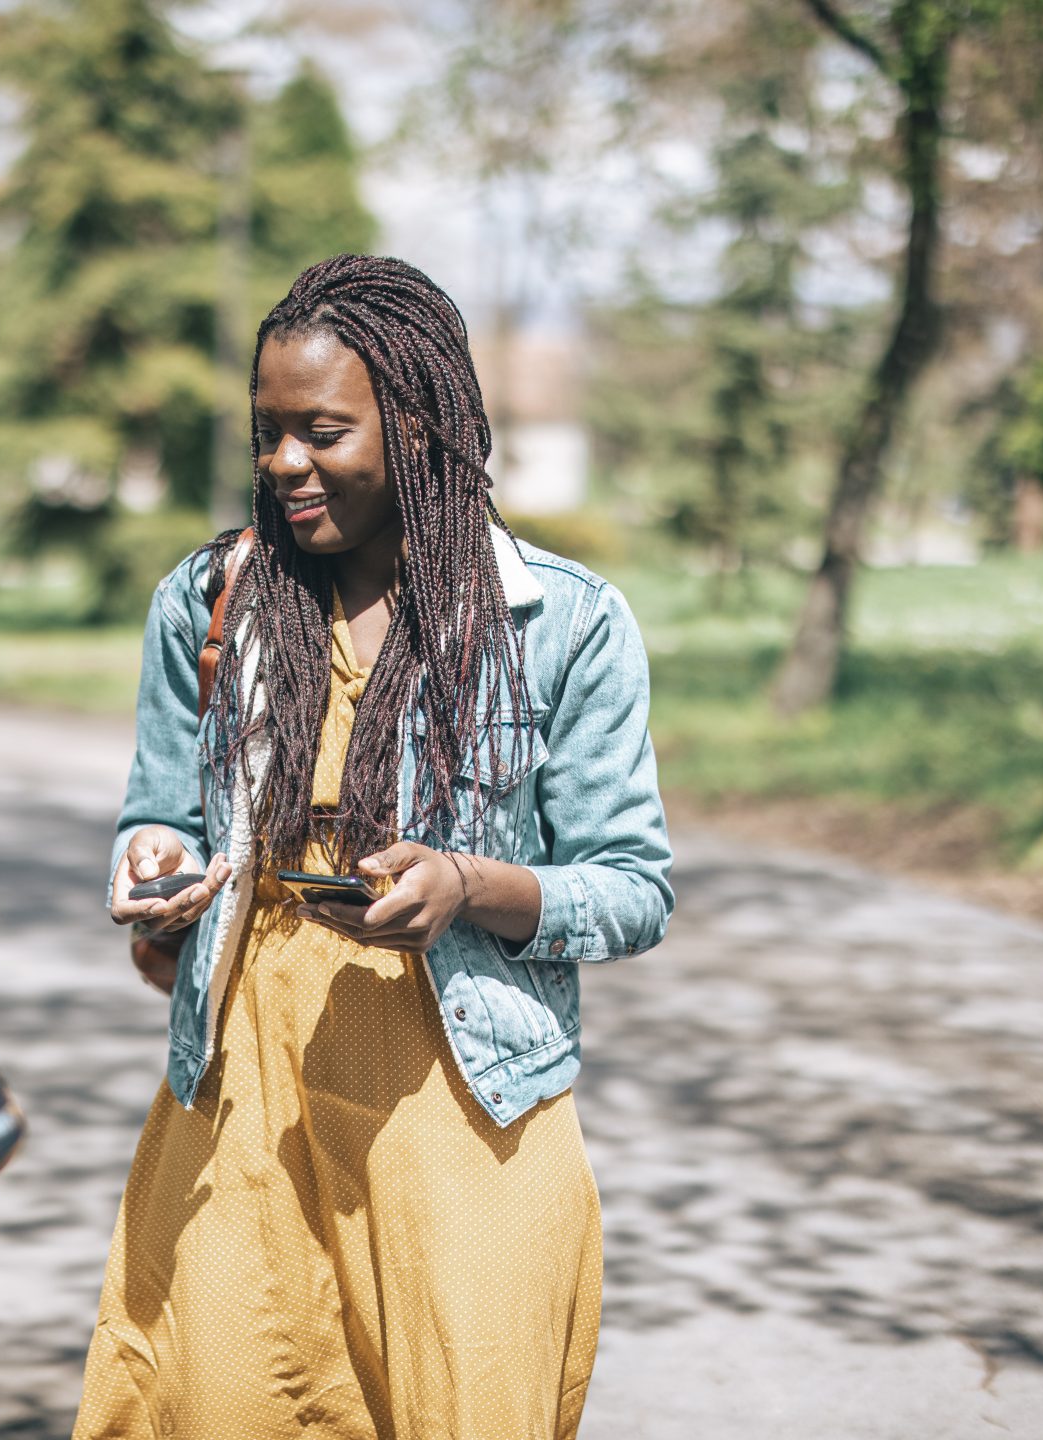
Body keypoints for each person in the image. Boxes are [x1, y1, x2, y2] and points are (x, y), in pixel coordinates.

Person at [78, 254, 673, 1439]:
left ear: (419, 426)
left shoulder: (563, 623)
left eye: (322, 431)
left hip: (459, 1113)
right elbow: (162, 810)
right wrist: (154, 864)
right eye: (268, 433)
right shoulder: (208, 603)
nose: (285, 464)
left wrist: (465, 884)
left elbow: (632, 889)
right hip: (244, 1102)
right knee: (224, 1401)